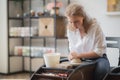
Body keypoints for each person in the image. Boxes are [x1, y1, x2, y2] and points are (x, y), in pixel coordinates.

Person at [65, 3, 110, 80]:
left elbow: (99, 52)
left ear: (83, 17)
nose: (73, 25)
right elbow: (72, 50)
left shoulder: (94, 27)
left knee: (102, 70)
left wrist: (79, 55)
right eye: (70, 22)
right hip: (80, 60)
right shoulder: (70, 29)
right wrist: (71, 55)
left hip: (98, 58)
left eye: (76, 21)